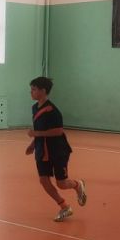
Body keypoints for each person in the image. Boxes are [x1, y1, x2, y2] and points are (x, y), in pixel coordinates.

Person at [26, 76, 87, 222]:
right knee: (44, 180)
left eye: (34, 89)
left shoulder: (52, 110)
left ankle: (77, 185)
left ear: (43, 91)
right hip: (42, 150)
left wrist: (36, 134)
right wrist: (33, 144)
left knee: (61, 183)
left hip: (58, 150)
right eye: (31, 89)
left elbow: (58, 131)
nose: (31, 92)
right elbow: (40, 129)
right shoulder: (35, 108)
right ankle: (64, 206)